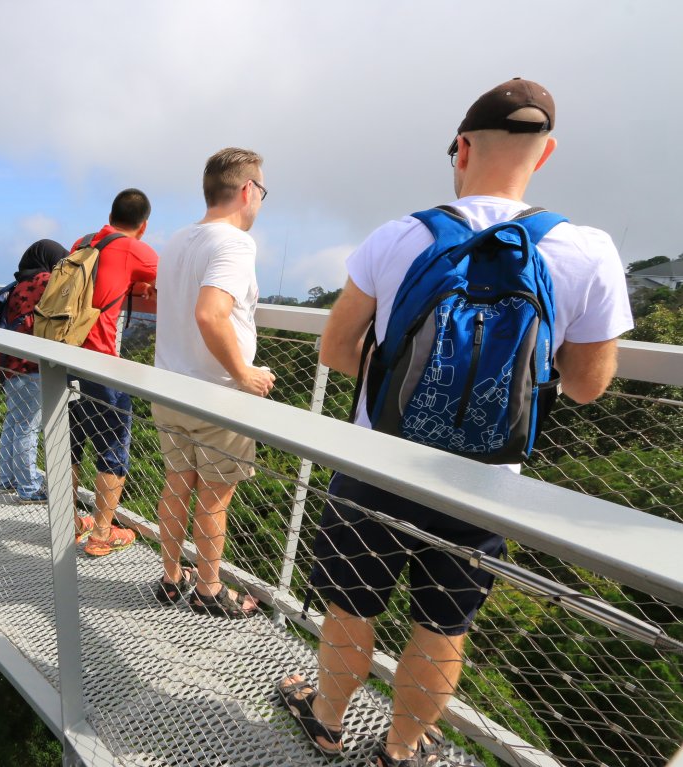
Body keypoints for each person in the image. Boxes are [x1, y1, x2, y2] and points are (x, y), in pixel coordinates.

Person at [278, 78, 633, 767]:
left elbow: (334, 348)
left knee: (351, 604)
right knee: (443, 622)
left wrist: (404, 389)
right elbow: (589, 387)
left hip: (377, 461)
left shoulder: (402, 233)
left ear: (463, 148)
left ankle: (325, 720)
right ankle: (402, 748)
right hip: (484, 482)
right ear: (547, 152)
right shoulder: (587, 251)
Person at [150, 148, 275, 618]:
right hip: (217, 395)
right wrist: (245, 374)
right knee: (214, 498)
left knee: (176, 484)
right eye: (262, 191)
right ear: (248, 190)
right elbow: (210, 313)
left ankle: (170, 577)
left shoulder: (179, 239)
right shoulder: (237, 245)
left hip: (170, 387)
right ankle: (208, 589)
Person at [69, 188, 159, 557]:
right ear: (144, 225)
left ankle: (69, 519)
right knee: (113, 444)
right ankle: (102, 534)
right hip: (100, 359)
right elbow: (176, 286)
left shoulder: (84, 241)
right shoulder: (136, 248)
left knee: (70, 441)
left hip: (63, 353)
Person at [0, 240, 70, 503]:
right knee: (28, 426)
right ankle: (29, 488)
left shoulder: (18, 284)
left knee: (14, 421)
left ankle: (8, 478)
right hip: (31, 365)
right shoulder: (46, 280)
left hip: (8, 363)